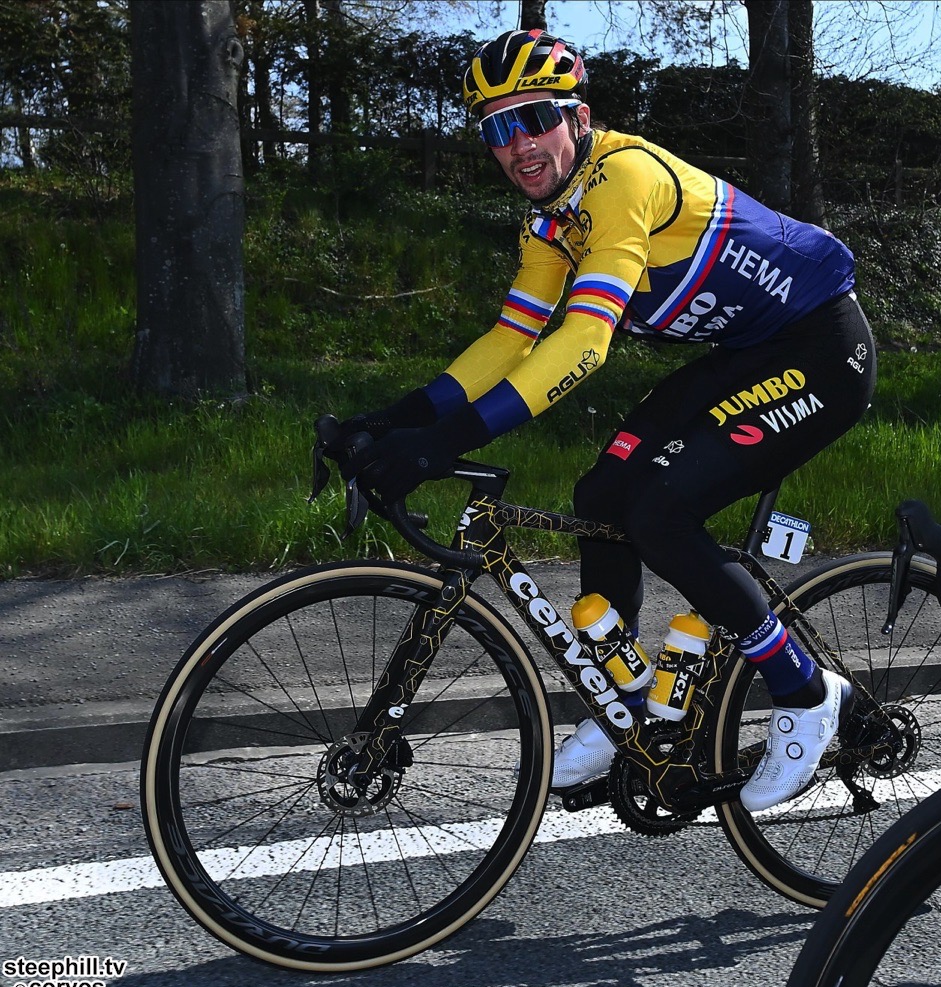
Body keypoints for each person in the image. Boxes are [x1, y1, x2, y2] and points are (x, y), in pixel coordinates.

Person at [338, 29, 876, 812]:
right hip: (748, 353)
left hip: (823, 351)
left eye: (536, 119)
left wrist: (444, 443)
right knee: (601, 496)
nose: (518, 145)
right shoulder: (550, 224)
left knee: (660, 512)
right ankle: (621, 700)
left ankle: (803, 690)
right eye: (497, 128)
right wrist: (392, 421)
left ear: (579, 118)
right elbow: (511, 340)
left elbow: (585, 342)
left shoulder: (622, 179)